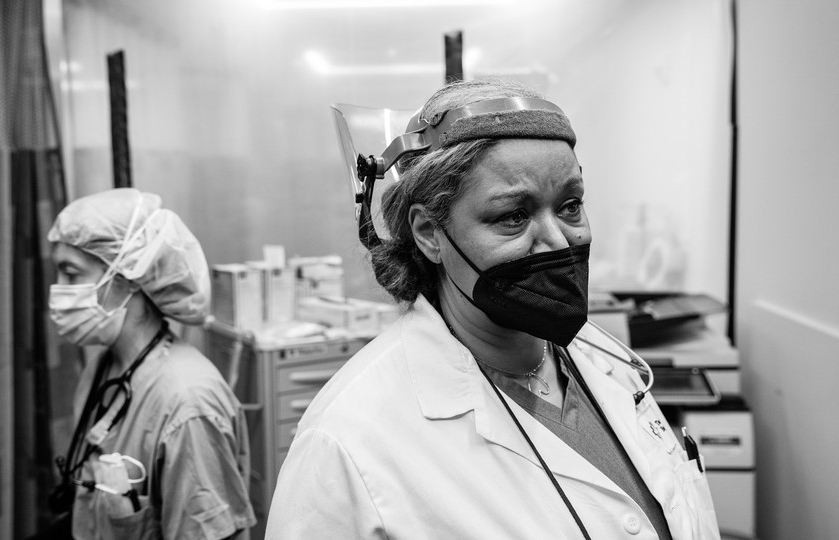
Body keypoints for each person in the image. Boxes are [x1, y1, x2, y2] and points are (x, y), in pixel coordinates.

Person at [265, 80, 720, 539]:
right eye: (512, 216)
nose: (560, 240)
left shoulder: (606, 365)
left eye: (570, 206)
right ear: (429, 233)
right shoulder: (347, 442)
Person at [46, 188, 256, 540]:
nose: (58, 290)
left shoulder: (189, 404)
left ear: (126, 276)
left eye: (71, 274)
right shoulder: (102, 367)